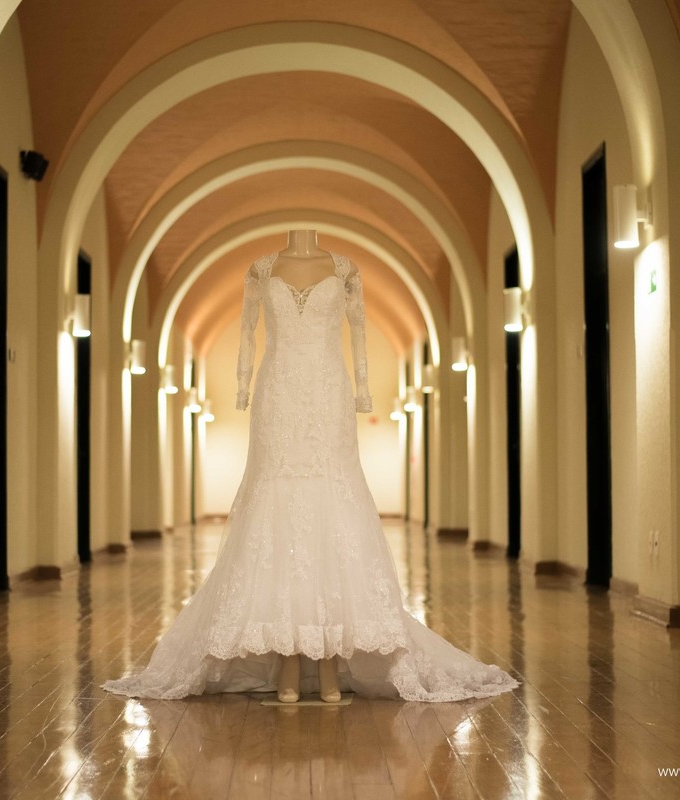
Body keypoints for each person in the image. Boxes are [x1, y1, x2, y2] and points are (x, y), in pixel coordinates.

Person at [102, 230, 519, 702]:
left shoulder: (346, 269)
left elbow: (358, 332)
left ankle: (325, 659)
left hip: (327, 390)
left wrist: (362, 388)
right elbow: (246, 329)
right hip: (278, 391)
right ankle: (288, 657)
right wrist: (242, 386)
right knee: (276, 506)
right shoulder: (260, 267)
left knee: (330, 504)